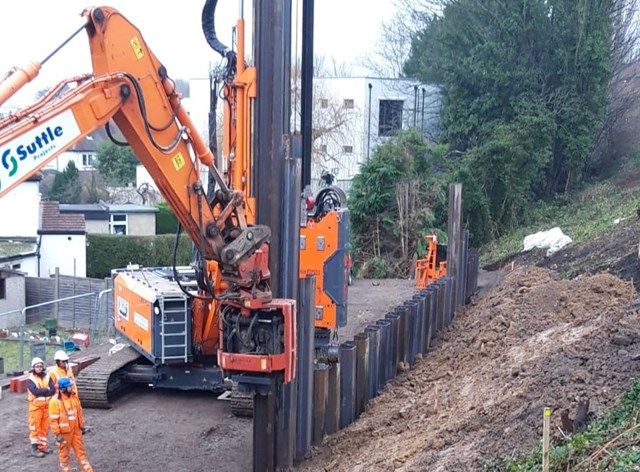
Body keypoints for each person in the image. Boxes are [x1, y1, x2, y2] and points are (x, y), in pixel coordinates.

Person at [49, 377, 93, 472]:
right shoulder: (55, 402)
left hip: (76, 430)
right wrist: (57, 434)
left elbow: (79, 413)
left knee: (81, 453)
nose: (71, 388)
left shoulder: (74, 397)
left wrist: (82, 426)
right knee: (64, 455)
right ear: (63, 389)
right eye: (69, 387)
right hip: (64, 434)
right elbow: (53, 420)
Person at [26, 357, 55, 457]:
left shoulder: (47, 377)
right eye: (37, 366)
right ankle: (34, 449)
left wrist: (42, 391)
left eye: (40, 366)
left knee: (44, 428)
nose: (39, 368)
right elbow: (35, 391)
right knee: (35, 428)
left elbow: (53, 390)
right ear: (33, 367)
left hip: (46, 407)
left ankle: (42, 447)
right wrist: (46, 390)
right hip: (35, 408)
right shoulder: (31, 379)